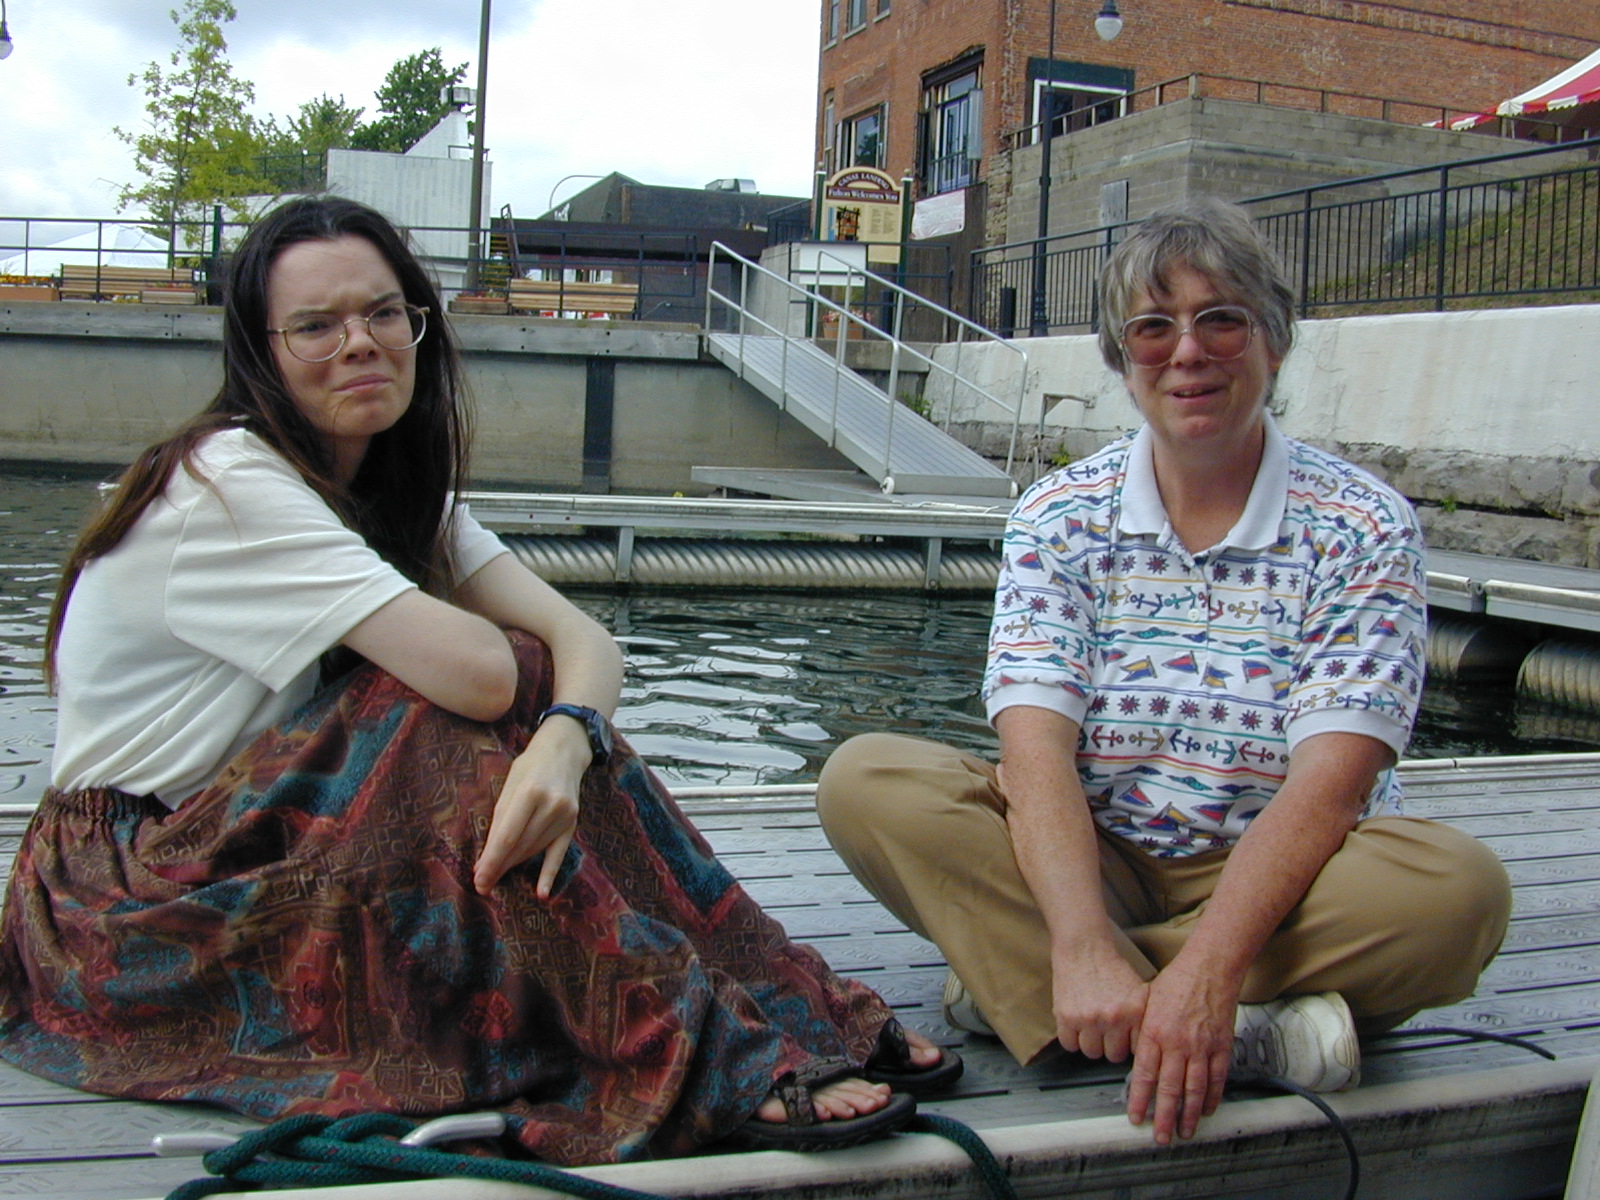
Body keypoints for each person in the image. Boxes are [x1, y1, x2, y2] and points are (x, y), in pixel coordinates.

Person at [0, 195, 959, 1165]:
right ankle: (677, 1041)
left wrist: (566, 741)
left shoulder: (385, 485)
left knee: (538, 696)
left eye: (383, 313)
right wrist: (539, 719)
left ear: (418, 324)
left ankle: (775, 994)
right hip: (119, 907)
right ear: (262, 353)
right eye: (316, 326)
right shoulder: (227, 481)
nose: (359, 343)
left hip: (243, 846)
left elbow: (585, 641)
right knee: (443, 706)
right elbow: (483, 675)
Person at [818, 198, 1511, 1148]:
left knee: (1457, 895)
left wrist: (1206, 973)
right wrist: (1079, 939)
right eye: (1153, 328)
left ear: (1274, 341)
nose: (1188, 352)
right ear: (1122, 358)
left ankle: (1042, 995)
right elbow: (1034, 753)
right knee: (867, 780)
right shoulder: (1060, 513)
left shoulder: (1363, 524)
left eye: (1221, 319)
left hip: (1296, 876)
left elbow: (1332, 786)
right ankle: (1243, 1029)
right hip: (1098, 859)